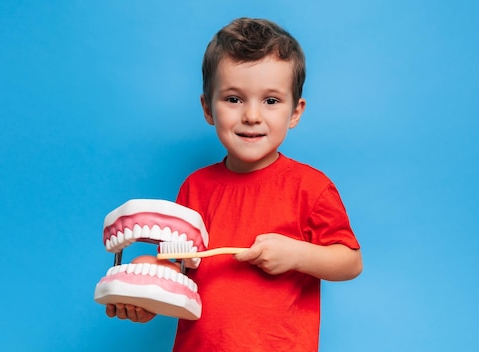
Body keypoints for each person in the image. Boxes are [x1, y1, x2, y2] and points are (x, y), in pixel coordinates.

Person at [106, 17, 362, 351]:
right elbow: (179, 274)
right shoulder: (195, 187)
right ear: (207, 108)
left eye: (271, 101)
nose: (252, 116)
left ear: (295, 112)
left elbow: (350, 262)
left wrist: (297, 254)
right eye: (233, 99)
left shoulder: (311, 188)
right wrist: (145, 302)